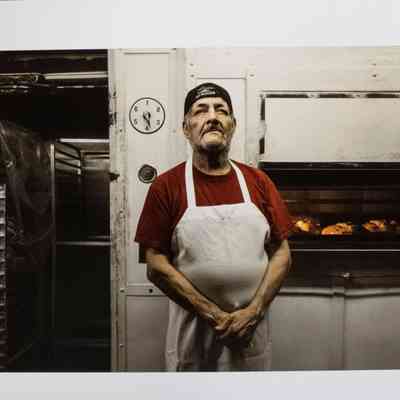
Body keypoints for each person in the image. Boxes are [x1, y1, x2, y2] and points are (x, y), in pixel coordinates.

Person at [135, 82, 293, 371]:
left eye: (221, 110)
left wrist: (253, 312)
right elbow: (155, 264)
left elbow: (282, 253)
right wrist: (214, 316)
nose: (212, 117)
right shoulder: (166, 186)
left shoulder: (258, 182)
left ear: (232, 125)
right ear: (186, 128)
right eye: (201, 110)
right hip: (193, 337)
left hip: (250, 334)